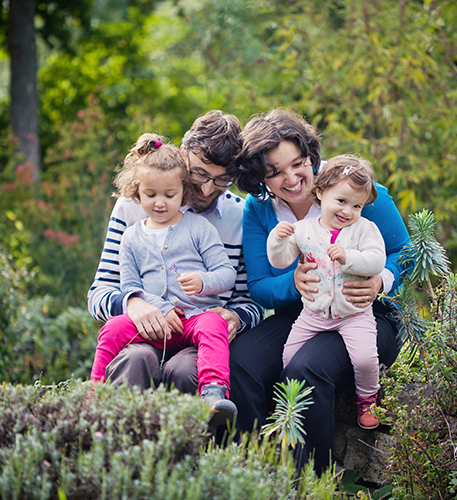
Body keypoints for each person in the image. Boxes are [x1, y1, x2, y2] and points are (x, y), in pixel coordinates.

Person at [229, 108, 412, 472]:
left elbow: (405, 253)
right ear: (259, 178)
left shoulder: (352, 189)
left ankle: (313, 485)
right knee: (241, 361)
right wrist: (293, 282)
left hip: (367, 314)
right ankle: (252, 475)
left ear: (310, 155)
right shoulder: (260, 210)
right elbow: (262, 287)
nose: (292, 178)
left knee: (305, 369)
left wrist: (381, 281)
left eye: (298, 163)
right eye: (275, 172)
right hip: (306, 313)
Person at [87, 111, 263, 395]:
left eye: (222, 179)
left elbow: (251, 303)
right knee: (136, 359)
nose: (207, 188)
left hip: (200, 338)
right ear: (183, 154)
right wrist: (134, 304)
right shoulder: (132, 208)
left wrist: (236, 318)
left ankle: (198, 434)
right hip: (141, 336)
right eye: (199, 173)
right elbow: (97, 295)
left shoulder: (239, 216)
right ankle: (108, 430)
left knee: (183, 371)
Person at [267, 155, 387, 430]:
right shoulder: (305, 230)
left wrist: (350, 257)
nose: (348, 211)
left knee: (365, 358)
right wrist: (278, 238)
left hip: (354, 314)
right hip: (314, 312)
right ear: (320, 192)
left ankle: (367, 398)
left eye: (357, 205)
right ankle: (289, 404)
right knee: (290, 357)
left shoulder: (364, 229)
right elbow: (280, 260)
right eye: (342, 201)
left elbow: (377, 260)